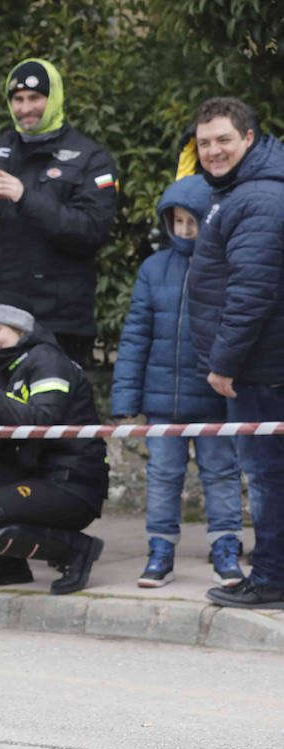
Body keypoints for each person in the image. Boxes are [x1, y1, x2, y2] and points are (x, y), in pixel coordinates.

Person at [110, 174, 243, 588]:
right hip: (162, 404)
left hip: (214, 401)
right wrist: (125, 398)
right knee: (163, 477)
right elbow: (135, 335)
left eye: (194, 220)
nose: (185, 229)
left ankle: (226, 547)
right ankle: (160, 550)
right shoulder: (153, 268)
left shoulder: (228, 266)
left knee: (221, 475)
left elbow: (240, 332)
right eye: (178, 220)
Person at [0, 58, 118, 369]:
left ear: (55, 98)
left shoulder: (92, 157)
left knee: (55, 412)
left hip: (60, 322)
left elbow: (91, 231)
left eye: (35, 98)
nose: (26, 108)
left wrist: (25, 198)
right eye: (18, 99)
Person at [185, 96, 284, 610]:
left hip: (261, 370)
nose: (213, 151)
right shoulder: (247, 190)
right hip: (263, 366)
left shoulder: (258, 198)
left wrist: (224, 363)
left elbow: (252, 290)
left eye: (224, 139)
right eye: (204, 143)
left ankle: (271, 579)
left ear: (249, 139)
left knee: (268, 478)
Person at [0, 304, 108, 594]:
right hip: (29, 474)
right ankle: (6, 565)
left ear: (21, 331)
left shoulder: (48, 360)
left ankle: (76, 550)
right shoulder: (3, 369)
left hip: (71, 483)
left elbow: (40, 422)